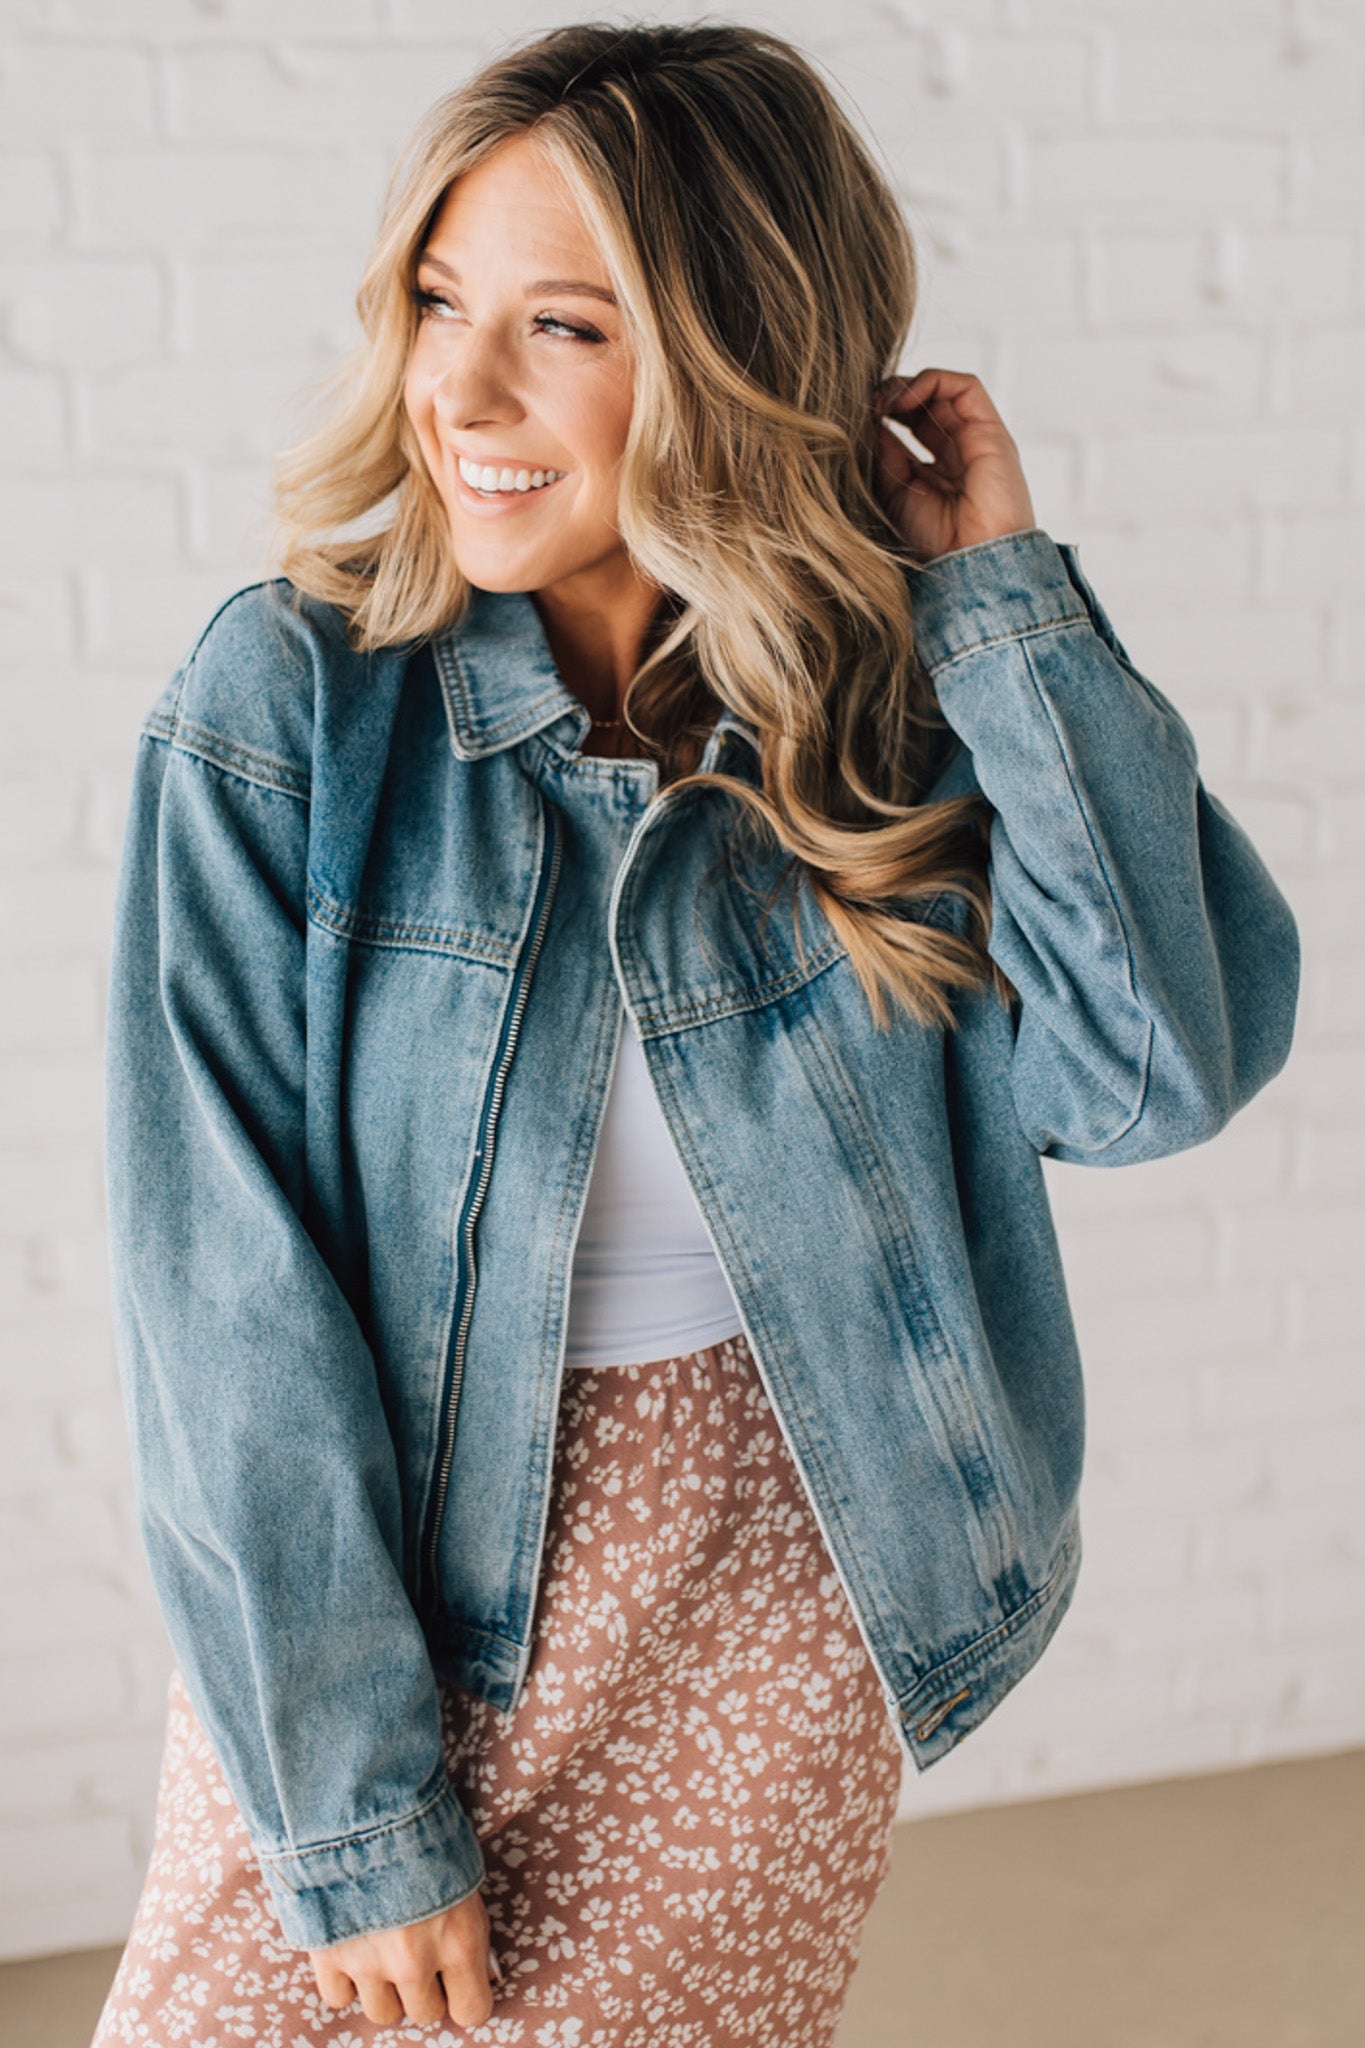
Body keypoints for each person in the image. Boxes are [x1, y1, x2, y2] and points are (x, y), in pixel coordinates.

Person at [92, 19, 1301, 2048]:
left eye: (558, 325)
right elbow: (220, 1289)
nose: (456, 391)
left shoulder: (888, 723)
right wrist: (360, 1809)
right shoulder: (294, 705)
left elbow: (1151, 1072)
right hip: (390, 1599)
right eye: (436, 301)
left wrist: (995, 593)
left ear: (739, 356)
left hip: (775, 1597)